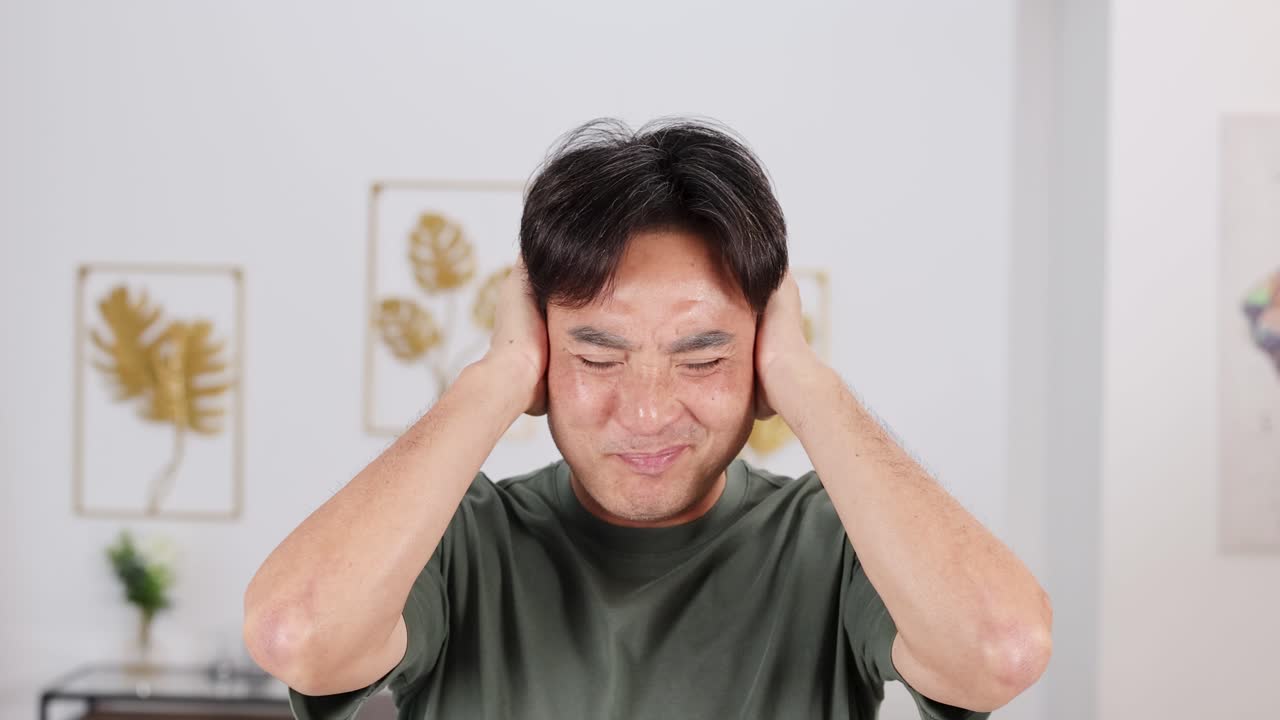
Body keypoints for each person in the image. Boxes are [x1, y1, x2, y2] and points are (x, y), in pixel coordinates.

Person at [243, 118, 1052, 719]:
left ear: (762, 355)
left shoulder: (831, 545)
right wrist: (497, 378)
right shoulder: (463, 542)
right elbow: (297, 634)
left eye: (703, 358)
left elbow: (1000, 649)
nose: (649, 411)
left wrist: (807, 383)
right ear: (543, 348)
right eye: (597, 357)